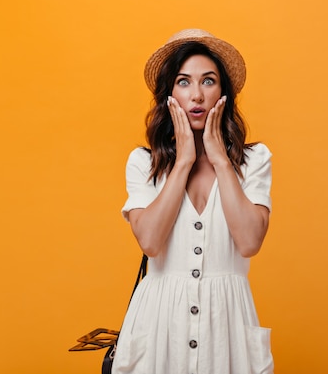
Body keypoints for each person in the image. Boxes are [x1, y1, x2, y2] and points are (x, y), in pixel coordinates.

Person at [113, 29, 274, 374]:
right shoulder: (144, 163)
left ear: (224, 93)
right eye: (184, 82)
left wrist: (219, 159)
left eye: (209, 81)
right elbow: (151, 242)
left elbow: (249, 242)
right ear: (168, 95)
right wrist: (184, 160)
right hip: (159, 327)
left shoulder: (254, 160)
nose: (197, 95)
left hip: (226, 328)